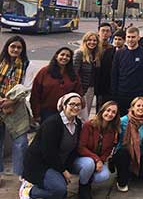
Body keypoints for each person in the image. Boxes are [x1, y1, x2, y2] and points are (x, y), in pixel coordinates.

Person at [20, 93, 84, 199]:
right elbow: (49, 152)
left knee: (62, 193)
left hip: (56, 162)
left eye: (78, 105)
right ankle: (29, 191)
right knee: (59, 190)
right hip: (39, 163)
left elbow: (74, 148)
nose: (76, 107)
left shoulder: (78, 123)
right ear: (64, 106)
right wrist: (64, 172)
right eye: (72, 104)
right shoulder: (53, 123)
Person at [0, 36, 34, 183]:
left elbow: (27, 87)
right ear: (7, 47)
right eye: (12, 46)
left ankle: (21, 174)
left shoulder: (27, 65)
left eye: (19, 47)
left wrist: (12, 101)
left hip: (16, 107)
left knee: (21, 142)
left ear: (22, 50)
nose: (15, 49)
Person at [112, 97, 143, 192]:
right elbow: (112, 132)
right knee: (123, 155)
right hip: (123, 153)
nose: (141, 108)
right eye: (138, 105)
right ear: (132, 107)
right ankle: (121, 181)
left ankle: (130, 171)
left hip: (139, 155)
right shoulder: (123, 121)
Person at [75, 101, 120, 198]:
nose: (110, 114)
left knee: (104, 176)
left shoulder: (112, 130)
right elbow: (81, 147)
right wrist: (97, 159)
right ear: (102, 110)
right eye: (108, 110)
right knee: (89, 164)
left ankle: (86, 179)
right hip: (83, 157)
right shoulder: (89, 125)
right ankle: (83, 187)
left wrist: (102, 160)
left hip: (98, 160)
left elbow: (108, 149)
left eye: (113, 112)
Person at [31, 47, 83, 122]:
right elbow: (35, 94)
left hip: (66, 112)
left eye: (68, 56)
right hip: (46, 112)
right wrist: (36, 114)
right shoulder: (44, 72)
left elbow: (78, 93)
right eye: (62, 55)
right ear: (56, 56)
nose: (64, 57)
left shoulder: (73, 74)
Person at [111, 27, 143, 116]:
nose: (130, 39)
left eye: (133, 37)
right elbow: (114, 74)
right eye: (128, 37)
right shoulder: (119, 53)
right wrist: (114, 93)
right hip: (122, 94)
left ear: (138, 37)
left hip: (138, 95)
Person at [73, 32, 103, 121]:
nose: (92, 42)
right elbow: (74, 74)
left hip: (91, 89)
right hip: (81, 90)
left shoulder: (95, 55)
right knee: (82, 116)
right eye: (89, 40)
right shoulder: (79, 53)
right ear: (85, 41)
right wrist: (78, 91)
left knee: (86, 114)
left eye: (94, 40)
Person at [95, 23, 115, 110]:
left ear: (111, 33)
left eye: (107, 31)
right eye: (103, 30)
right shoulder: (93, 46)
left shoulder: (112, 49)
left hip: (106, 84)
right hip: (93, 82)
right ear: (98, 32)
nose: (105, 33)